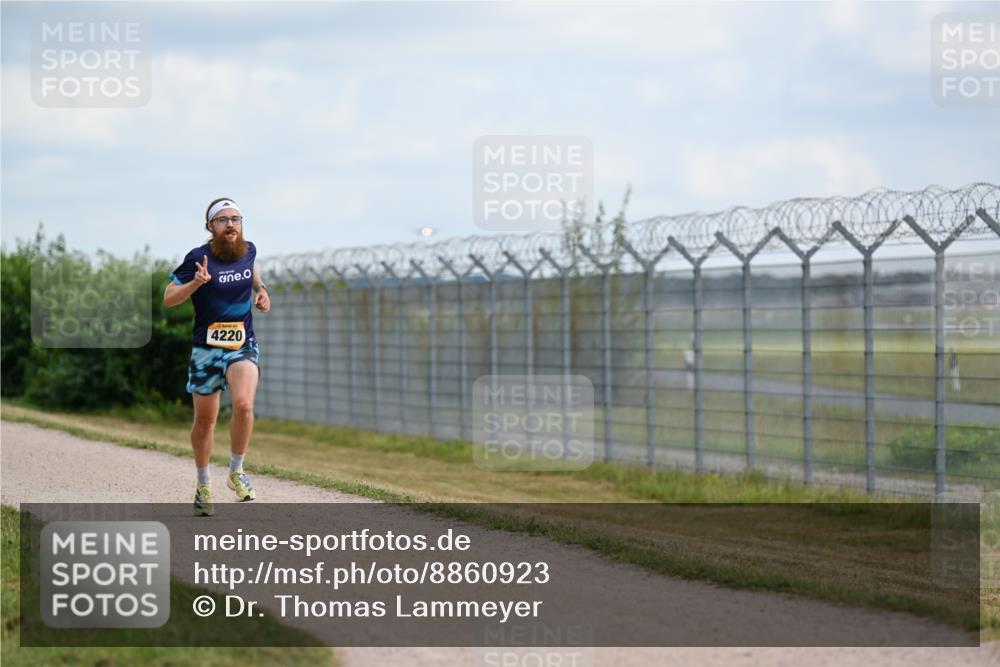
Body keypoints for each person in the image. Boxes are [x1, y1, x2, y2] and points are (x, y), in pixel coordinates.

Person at [163, 197, 271, 516]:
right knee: (206, 421)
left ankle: (237, 472)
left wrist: (261, 290)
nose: (231, 225)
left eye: (236, 219)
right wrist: (195, 283)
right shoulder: (198, 258)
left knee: (244, 404)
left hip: (241, 344)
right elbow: (169, 298)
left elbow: (252, 269)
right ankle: (203, 483)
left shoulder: (248, 249)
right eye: (223, 220)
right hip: (206, 350)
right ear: (210, 226)